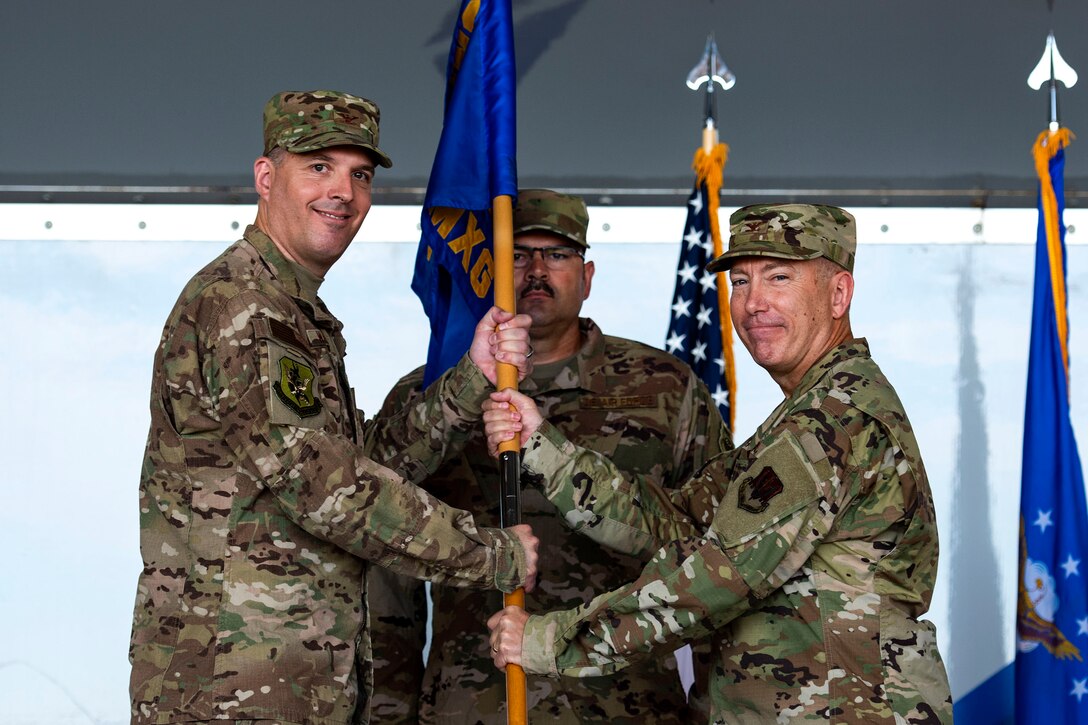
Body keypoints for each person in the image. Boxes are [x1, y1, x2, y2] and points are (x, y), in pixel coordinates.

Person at [127, 89, 541, 725]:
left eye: (360, 175)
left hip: (294, 687)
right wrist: (491, 554)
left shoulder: (293, 311)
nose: (343, 192)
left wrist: (471, 378)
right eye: (318, 166)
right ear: (266, 177)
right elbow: (323, 486)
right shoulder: (244, 306)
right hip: (231, 692)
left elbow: (356, 462)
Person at [484, 204, 953, 723]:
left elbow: (714, 579)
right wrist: (544, 448)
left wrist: (552, 640)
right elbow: (676, 522)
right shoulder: (805, 412)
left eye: (779, 278)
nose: (754, 304)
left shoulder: (832, 419)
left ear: (839, 294)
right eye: (741, 282)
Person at [367, 189, 731, 723]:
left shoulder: (667, 390)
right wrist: (388, 712)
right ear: (489, 269)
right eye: (518, 255)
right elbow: (378, 545)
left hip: (626, 705)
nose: (537, 270)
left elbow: (715, 552)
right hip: (471, 703)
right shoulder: (430, 394)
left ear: (586, 276)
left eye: (556, 255)